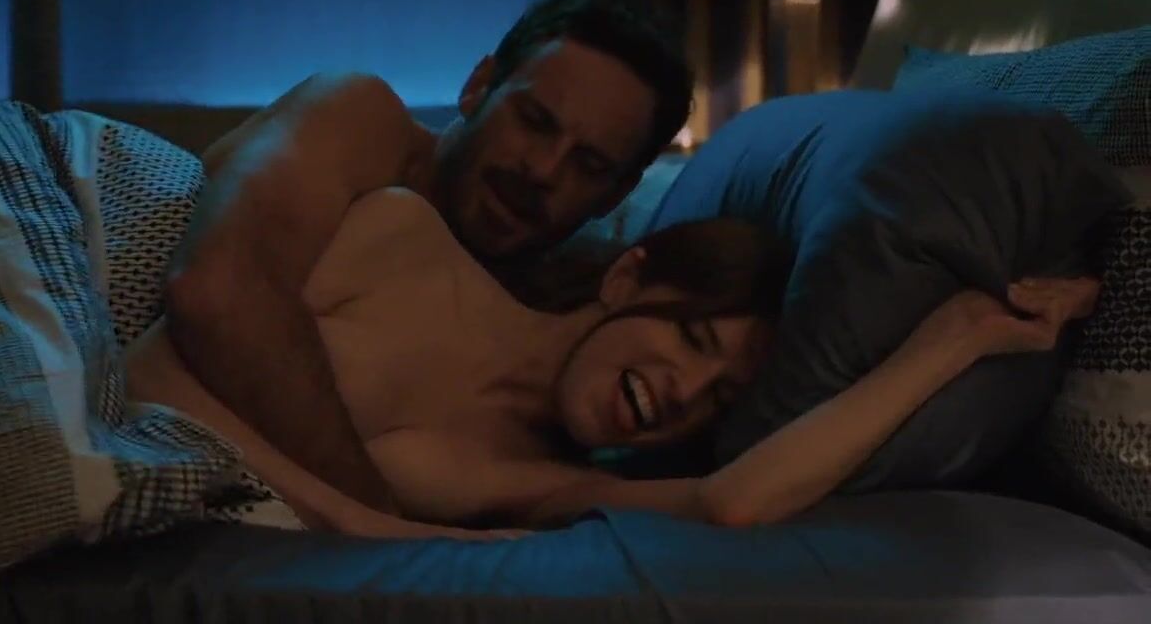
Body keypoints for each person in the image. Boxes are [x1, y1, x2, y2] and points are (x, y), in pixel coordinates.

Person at [131, 185, 1102, 540]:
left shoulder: (538, 486)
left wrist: (955, 339)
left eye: (718, 399)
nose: (684, 393)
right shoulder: (403, 237)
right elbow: (153, 371)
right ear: (627, 278)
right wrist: (367, 523)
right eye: (692, 340)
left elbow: (731, 502)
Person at [163, 0, 694, 517]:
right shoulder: (360, 122)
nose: (543, 170)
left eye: (589, 165)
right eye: (534, 121)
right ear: (478, 87)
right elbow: (217, 292)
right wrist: (374, 516)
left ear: (616, 195)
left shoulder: (540, 305)